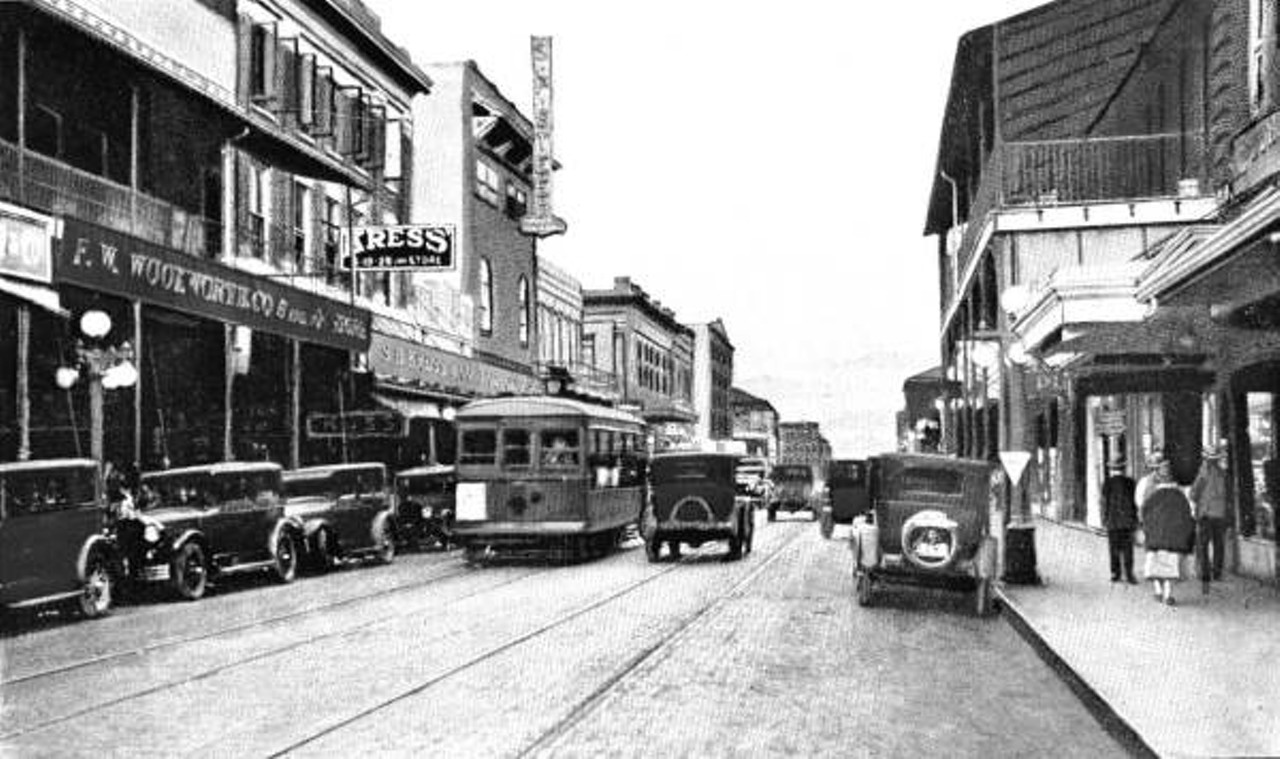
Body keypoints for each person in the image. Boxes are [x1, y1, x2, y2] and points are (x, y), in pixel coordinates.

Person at [1139, 457, 1196, 606]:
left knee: (1155, 566)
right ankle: (1168, 594)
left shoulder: (1152, 497)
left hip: (1155, 540)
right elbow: (1188, 517)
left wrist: (1146, 532)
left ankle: (1158, 591)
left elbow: (1144, 515)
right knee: (1171, 568)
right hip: (1173, 541)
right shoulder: (1180, 497)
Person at [1190, 443, 1229, 583]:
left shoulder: (1203, 472)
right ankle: (1217, 573)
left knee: (1203, 545)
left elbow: (1194, 493)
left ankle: (1205, 574)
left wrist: (1196, 500)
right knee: (1219, 545)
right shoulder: (1222, 472)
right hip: (1220, 514)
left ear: (1205, 458)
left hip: (1206, 514)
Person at [1101, 462, 1138, 583]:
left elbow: (1104, 502)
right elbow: (1134, 502)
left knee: (1114, 548)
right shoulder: (1131, 482)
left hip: (1113, 521)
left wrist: (1104, 518)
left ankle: (1115, 574)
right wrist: (1135, 519)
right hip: (1127, 521)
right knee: (1128, 548)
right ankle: (1129, 574)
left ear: (1112, 469)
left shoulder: (1107, 483)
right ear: (1124, 468)